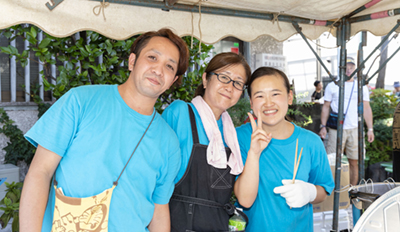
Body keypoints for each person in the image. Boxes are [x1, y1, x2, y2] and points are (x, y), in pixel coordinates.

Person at [19, 28, 189, 232]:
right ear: (132, 61)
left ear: (173, 81)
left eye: (170, 67)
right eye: (152, 57)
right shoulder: (80, 102)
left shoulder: (169, 142)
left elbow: (159, 208)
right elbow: (40, 172)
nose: (158, 70)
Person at [235, 67, 334, 232]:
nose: (268, 103)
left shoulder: (311, 142)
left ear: (289, 97)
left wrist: (309, 192)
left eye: (275, 94)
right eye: (259, 96)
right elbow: (244, 200)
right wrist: (254, 153)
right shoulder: (239, 138)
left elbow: (324, 189)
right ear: (252, 103)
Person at [162, 52, 252, 232]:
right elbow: (155, 176)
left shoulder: (231, 134)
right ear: (205, 79)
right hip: (178, 223)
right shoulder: (180, 112)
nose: (229, 87)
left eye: (238, 83)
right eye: (224, 78)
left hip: (218, 224)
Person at [319, 57, 374, 186]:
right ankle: (333, 192)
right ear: (341, 68)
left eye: (351, 67)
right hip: (335, 129)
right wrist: (323, 126)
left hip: (355, 128)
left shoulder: (361, 86)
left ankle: (352, 191)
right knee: (333, 160)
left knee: (354, 161)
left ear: (355, 68)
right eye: (346, 67)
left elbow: (366, 107)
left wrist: (370, 128)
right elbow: (326, 106)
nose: (349, 70)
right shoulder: (333, 86)